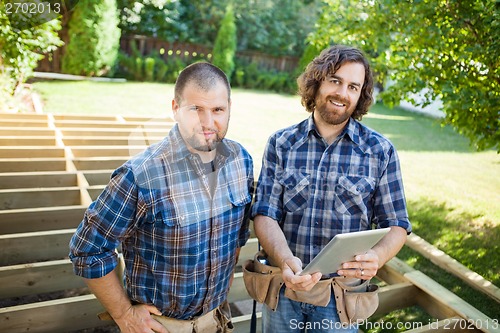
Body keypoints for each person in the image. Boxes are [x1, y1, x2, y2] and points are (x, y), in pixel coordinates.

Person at [69, 62, 254, 333]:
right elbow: (88, 249)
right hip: (160, 327)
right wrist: (123, 313)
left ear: (228, 109)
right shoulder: (141, 175)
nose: (207, 122)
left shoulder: (241, 162)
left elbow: (236, 237)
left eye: (217, 110)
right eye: (196, 109)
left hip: (216, 321)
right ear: (175, 109)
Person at [251, 45, 412, 332]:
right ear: (317, 82)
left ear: (360, 94)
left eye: (353, 86)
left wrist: (376, 257)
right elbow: (264, 213)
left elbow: (396, 224)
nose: (342, 93)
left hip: (340, 299)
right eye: (335, 81)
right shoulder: (281, 143)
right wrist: (286, 260)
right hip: (283, 290)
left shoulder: (380, 151)